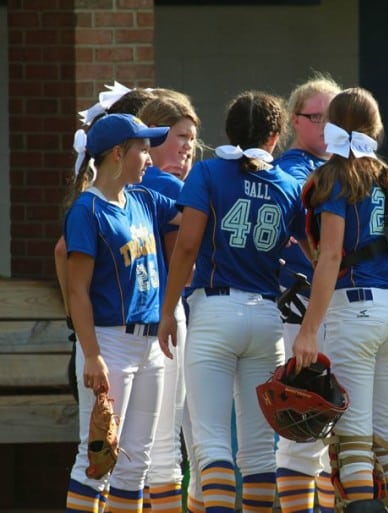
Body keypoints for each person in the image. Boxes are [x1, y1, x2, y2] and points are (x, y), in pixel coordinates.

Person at [157, 90, 304, 513]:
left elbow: (186, 247)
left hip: (215, 310)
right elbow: (310, 250)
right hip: (266, 317)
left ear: (229, 130)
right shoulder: (289, 184)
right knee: (259, 450)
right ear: (275, 136)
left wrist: (168, 311)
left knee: (212, 441)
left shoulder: (207, 173)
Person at [290, 87, 388, 513]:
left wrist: (308, 329)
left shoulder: (335, 175)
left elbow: (330, 256)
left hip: (357, 306)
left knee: (354, 437)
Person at [63, 113, 177, 513]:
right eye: (143, 150)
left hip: (149, 347)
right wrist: (91, 354)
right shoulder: (87, 211)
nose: (149, 158)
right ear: (117, 153)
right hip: (109, 342)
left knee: (136, 462)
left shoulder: (144, 199)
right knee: (98, 457)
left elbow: (195, 213)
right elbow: (77, 292)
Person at [273, 74, 341, 513]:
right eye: (319, 118)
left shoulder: (347, 167)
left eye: (336, 119)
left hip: (342, 315)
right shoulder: (291, 171)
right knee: (303, 433)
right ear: (296, 121)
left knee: (338, 440)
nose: (328, 128)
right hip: (299, 318)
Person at [137, 92, 201, 512]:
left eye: (192, 139)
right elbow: (189, 257)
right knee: (168, 444)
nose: (187, 147)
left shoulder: (119, 184)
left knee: (144, 446)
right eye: (179, 136)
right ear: (154, 137)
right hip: (163, 315)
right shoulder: (164, 184)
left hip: (125, 320)